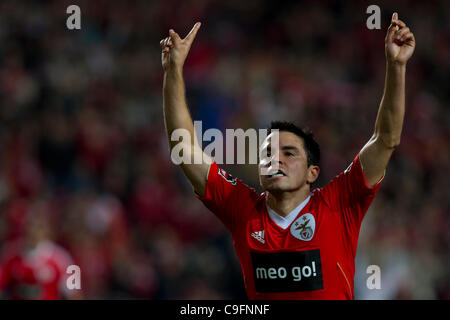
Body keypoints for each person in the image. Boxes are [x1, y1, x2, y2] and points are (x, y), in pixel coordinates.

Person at [159, 12, 415, 299]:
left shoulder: (338, 204)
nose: (275, 159)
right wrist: (173, 72)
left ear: (312, 173)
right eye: (267, 152)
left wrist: (396, 66)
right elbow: (185, 151)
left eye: (289, 153)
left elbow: (386, 139)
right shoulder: (242, 209)